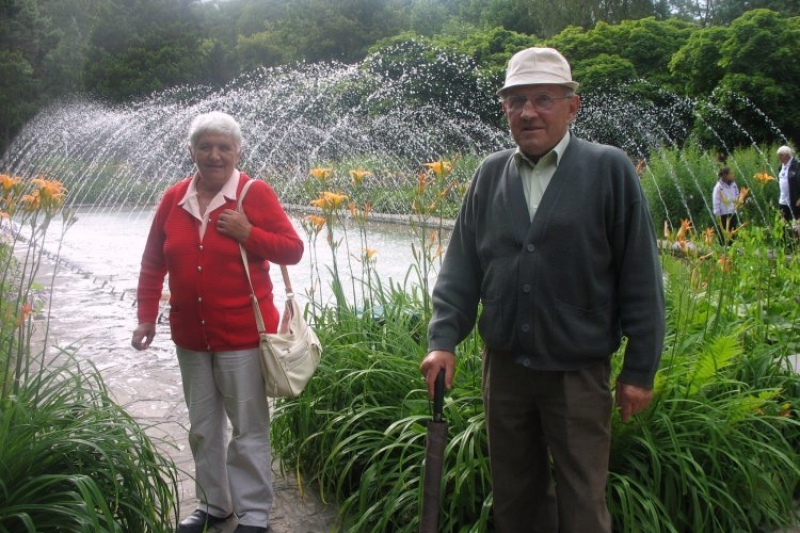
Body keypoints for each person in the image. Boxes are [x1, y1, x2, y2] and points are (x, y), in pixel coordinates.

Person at [419, 47, 665, 533]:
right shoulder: (491, 174)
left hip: (576, 372)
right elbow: (462, 267)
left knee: (582, 495)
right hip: (505, 369)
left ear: (572, 106)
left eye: (543, 99)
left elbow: (640, 274)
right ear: (504, 108)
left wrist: (640, 368)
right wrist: (443, 339)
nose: (528, 112)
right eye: (516, 101)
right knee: (515, 494)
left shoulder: (608, 169)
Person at [131, 111, 303, 533]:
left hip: (243, 336)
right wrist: (145, 316)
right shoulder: (173, 199)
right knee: (203, 428)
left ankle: (254, 514)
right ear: (191, 151)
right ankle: (214, 506)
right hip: (190, 337)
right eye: (205, 146)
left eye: (224, 147)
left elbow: (292, 249)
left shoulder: (252, 194)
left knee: (248, 429)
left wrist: (249, 233)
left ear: (237, 151)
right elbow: (154, 260)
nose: (214, 155)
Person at [712, 166, 740, 244]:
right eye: (731, 173)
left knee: (733, 234)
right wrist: (717, 215)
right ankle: (723, 253)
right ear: (725, 175)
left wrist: (736, 205)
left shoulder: (733, 184)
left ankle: (732, 252)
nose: (733, 175)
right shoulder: (718, 187)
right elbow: (716, 201)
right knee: (723, 236)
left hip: (732, 213)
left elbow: (737, 195)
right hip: (723, 215)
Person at [777, 145, 800, 223]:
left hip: (795, 201)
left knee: (796, 225)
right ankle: (783, 235)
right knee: (782, 224)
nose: (778, 158)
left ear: (787, 155)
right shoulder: (781, 167)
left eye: (780, 155)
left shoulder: (797, 165)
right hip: (783, 201)